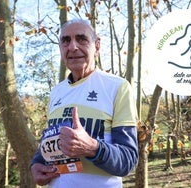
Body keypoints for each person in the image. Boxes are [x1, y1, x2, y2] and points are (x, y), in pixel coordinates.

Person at [30, 19, 138, 188]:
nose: (72, 47)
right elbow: (50, 142)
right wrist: (36, 164)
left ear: (97, 46)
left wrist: (92, 148)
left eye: (81, 39)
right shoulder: (56, 92)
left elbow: (128, 160)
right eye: (65, 41)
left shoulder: (118, 87)